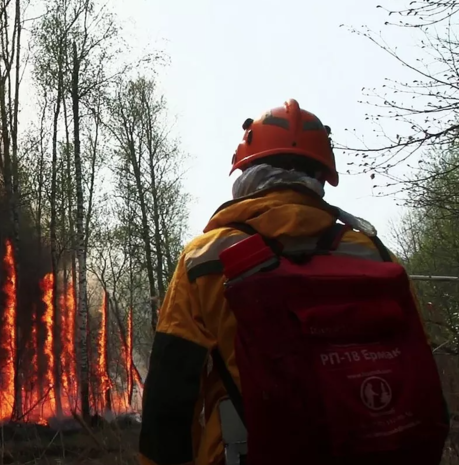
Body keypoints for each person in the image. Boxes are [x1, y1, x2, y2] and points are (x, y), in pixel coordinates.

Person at [137, 99, 448, 465]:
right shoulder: (374, 254)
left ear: (247, 172)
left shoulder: (205, 257)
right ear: (321, 177)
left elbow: (169, 396)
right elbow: (420, 369)